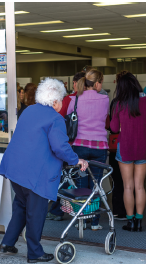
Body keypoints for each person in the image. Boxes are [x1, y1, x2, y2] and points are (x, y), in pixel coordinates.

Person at [0, 78, 88, 263]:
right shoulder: (56, 118)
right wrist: (76, 160)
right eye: (61, 99)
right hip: (35, 173)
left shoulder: (29, 110)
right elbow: (60, 147)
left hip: (15, 169)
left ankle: (7, 243)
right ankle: (35, 253)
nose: (62, 103)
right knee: (36, 212)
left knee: (21, 206)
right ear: (55, 101)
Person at [110, 71, 146, 232]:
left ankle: (130, 222)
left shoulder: (119, 103)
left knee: (128, 187)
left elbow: (114, 128)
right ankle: (139, 221)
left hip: (125, 149)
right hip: (143, 149)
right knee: (140, 186)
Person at [66, 69, 109, 230]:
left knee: (81, 185)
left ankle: (81, 221)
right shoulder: (105, 99)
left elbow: (70, 117)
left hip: (80, 147)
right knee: (96, 184)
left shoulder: (76, 99)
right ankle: (95, 222)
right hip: (99, 147)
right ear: (97, 83)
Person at [46, 71, 87, 221]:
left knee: (64, 178)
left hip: (68, 144)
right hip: (89, 144)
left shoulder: (70, 99)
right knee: (83, 181)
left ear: (75, 83)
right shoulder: (96, 98)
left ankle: (57, 211)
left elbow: (58, 118)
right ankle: (84, 212)